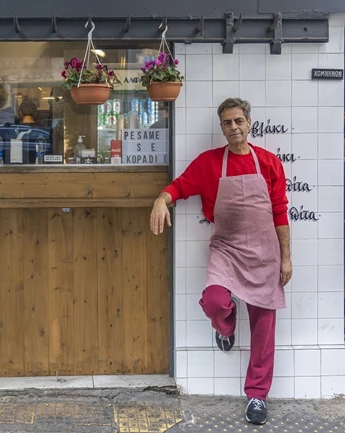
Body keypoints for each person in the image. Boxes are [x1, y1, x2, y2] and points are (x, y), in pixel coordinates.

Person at [150, 98, 291, 426]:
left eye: (239, 120)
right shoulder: (210, 163)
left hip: (265, 252)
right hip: (226, 249)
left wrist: (286, 258)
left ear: (250, 122)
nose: (234, 127)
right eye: (227, 123)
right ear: (222, 127)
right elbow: (180, 186)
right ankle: (226, 327)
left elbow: (281, 211)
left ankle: (257, 394)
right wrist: (161, 199)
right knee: (215, 301)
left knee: (264, 327)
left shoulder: (269, 163)